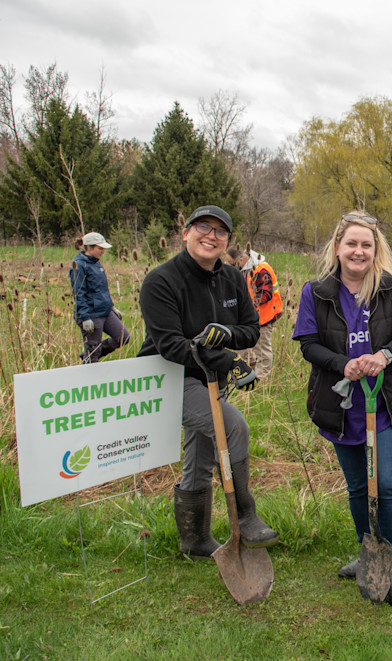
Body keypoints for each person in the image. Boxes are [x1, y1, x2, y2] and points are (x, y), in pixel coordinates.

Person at [292, 210, 392, 609]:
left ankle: (388, 561)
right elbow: (308, 343)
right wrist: (341, 363)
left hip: (381, 400)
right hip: (340, 403)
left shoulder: (391, 287)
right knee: (356, 487)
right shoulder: (316, 291)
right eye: (351, 243)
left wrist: (383, 355)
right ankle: (367, 553)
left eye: (366, 244)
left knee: (383, 484)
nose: (358, 251)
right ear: (337, 247)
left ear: (375, 249)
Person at [138, 205, 278, 559]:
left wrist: (227, 333)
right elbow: (170, 346)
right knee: (233, 427)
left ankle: (196, 541)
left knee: (200, 454)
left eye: (220, 231)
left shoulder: (232, 278)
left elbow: (250, 330)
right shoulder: (161, 280)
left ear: (227, 241)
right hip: (167, 377)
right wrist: (227, 359)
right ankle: (246, 514)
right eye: (203, 226)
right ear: (185, 233)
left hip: (206, 378)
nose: (210, 235)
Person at [69, 232, 130, 363]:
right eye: (100, 248)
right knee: (93, 351)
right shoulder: (79, 265)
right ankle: (89, 363)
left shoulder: (96, 263)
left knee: (123, 337)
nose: (103, 251)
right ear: (89, 247)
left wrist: (111, 306)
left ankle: (90, 354)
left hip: (105, 311)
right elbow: (79, 293)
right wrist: (85, 318)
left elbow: (102, 288)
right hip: (91, 314)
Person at [225, 247, 283, 380]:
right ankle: (251, 369)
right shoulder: (247, 269)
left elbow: (265, 294)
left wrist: (247, 306)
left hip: (266, 315)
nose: (232, 267)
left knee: (262, 349)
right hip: (253, 316)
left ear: (241, 259)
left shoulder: (261, 270)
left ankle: (262, 379)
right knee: (246, 344)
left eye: (233, 264)